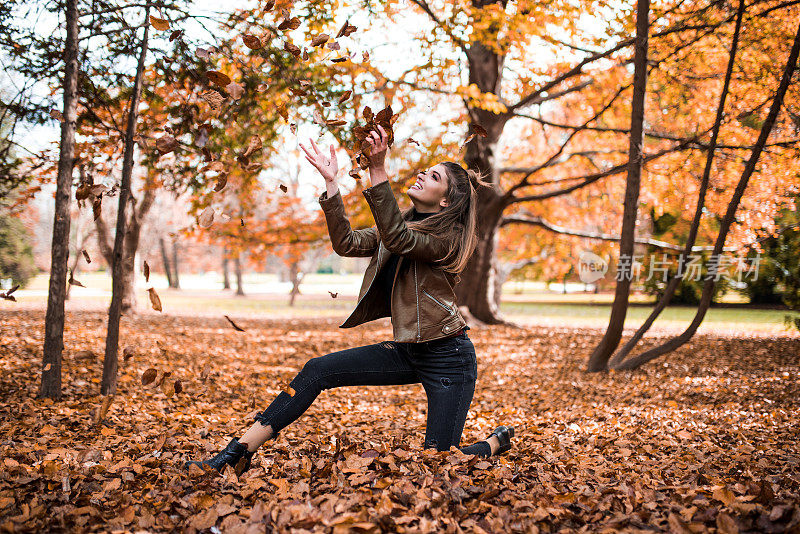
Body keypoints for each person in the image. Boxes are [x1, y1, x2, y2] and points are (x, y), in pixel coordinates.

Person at [186, 125, 514, 475]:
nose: (421, 174)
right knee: (317, 370)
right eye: (425, 169)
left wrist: (377, 169)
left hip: (449, 358)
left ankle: (492, 444)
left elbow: (400, 240)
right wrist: (331, 185)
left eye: (433, 176)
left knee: (438, 462)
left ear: (445, 200)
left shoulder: (448, 238)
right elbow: (348, 243)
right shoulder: (401, 225)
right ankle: (237, 452)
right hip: (408, 350)